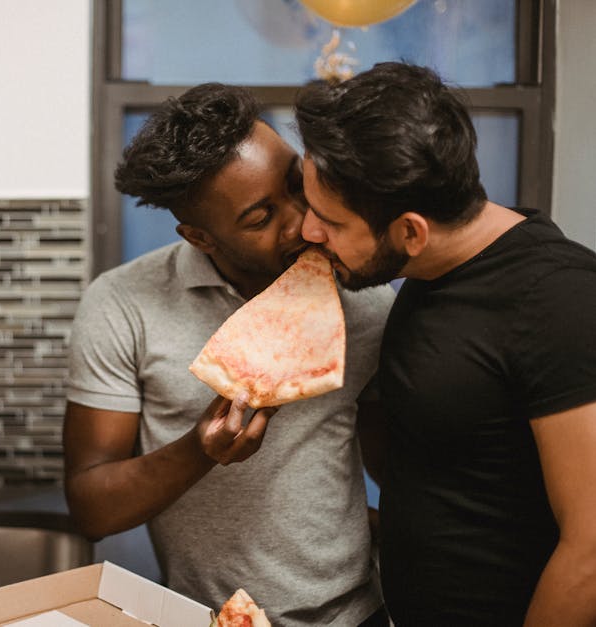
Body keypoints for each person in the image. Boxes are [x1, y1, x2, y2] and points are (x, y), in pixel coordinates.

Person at [63, 82, 396, 626]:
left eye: (297, 186)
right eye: (261, 218)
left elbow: (394, 466)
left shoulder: (365, 299)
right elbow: (91, 507)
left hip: (358, 613)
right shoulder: (123, 305)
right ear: (200, 238)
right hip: (210, 618)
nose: (302, 223)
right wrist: (202, 450)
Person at [294, 61, 596, 626]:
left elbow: (593, 548)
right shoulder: (431, 271)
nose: (309, 232)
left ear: (411, 231)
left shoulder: (560, 299)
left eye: (331, 222)